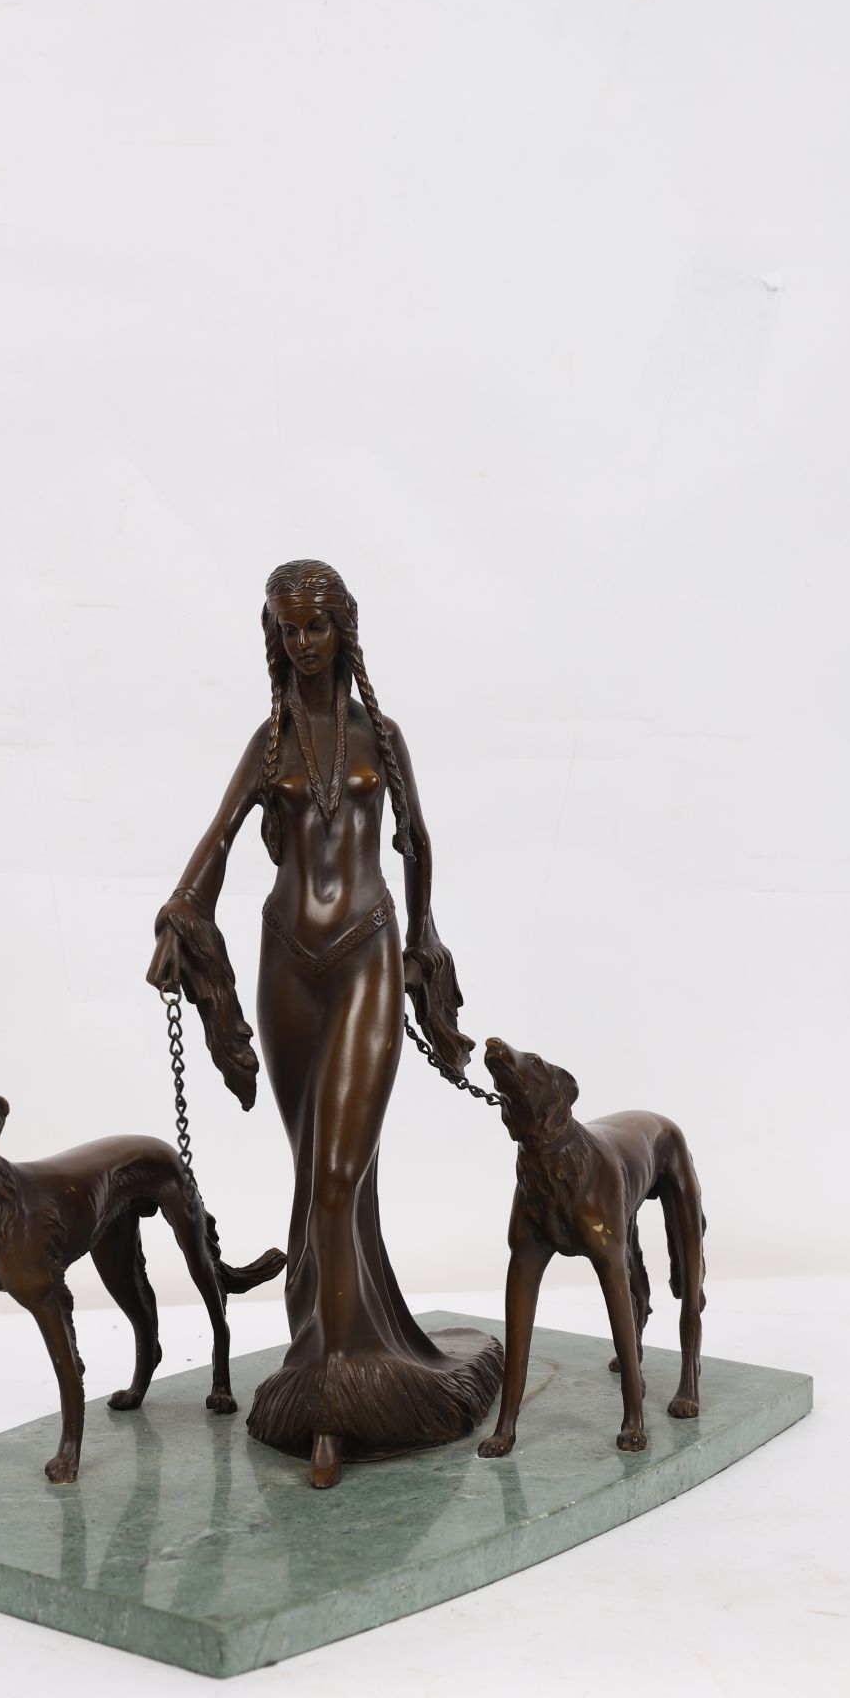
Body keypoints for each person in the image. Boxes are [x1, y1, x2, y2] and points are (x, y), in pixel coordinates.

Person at [147, 561, 501, 1487]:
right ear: (275, 636)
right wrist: (182, 910)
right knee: (315, 1176)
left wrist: (424, 936)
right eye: (288, 628)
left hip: (366, 956)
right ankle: (332, 1349)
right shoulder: (270, 744)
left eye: (316, 625)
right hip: (287, 969)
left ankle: (339, 1395)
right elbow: (219, 839)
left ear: (344, 628)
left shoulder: (381, 737)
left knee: (338, 1178)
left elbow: (416, 841)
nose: (303, 642)